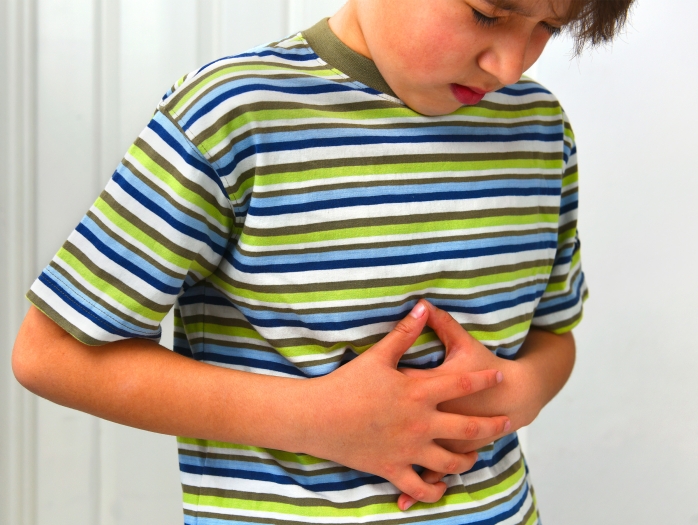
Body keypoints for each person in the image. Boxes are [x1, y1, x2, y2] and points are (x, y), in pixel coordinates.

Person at [12, 0, 635, 523]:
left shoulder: (539, 128)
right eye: (487, 13)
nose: (508, 63)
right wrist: (318, 420)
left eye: (547, 29)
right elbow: (52, 356)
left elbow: (554, 336)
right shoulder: (233, 113)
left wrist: (516, 389)